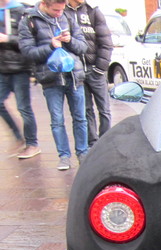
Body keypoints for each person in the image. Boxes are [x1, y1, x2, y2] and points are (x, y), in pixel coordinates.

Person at [18, 0, 88, 170]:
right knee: (57, 120)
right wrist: (50, 46)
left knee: (80, 117)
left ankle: (83, 153)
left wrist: (70, 40)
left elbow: (83, 46)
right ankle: (64, 156)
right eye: (56, 10)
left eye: (62, 10)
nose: (59, 13)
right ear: (44, 4)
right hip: (50, 78)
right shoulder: (29, 20)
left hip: (73, 75)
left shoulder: (68, 16)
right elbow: (27, 52)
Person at [65, 0, 112, 148]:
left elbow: (106, 42)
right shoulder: (63, 12)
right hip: (77, 71)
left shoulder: (93, 11)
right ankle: (93, 143)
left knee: (104, 109)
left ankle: (106, 142)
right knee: (86, 110)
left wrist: (100, 68)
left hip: (95, 69)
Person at [0, 0, 39, 159]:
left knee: (24, 108)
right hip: (2, 68)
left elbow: (27, 39)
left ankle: (32, 144)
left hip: (19, 67)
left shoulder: (21, 11)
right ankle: (18, 136)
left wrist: (7, 39)